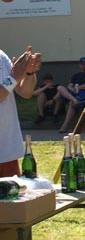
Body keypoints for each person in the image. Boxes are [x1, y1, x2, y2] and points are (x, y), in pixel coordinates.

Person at [0, 46, 41, 177]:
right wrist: (13, 77)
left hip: (7, 151)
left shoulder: (1, 56)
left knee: (11, 196)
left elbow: (25, 92)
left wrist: (29, 73)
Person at [56, 57, 85, 133]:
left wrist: (78, 87)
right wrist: (74, 89)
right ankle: (74, 100)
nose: (83, 66)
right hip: (73, 93)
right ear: (79, 65)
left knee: (71, 103)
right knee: (60, 88)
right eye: (82, 64)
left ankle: (64, 126)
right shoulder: (76, 75)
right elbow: (69, 85)